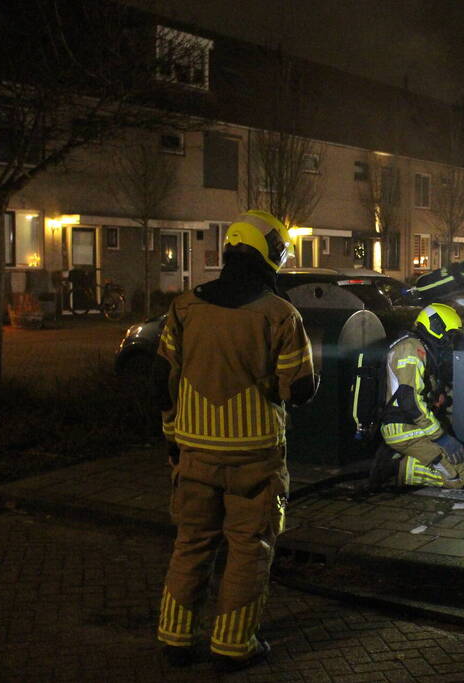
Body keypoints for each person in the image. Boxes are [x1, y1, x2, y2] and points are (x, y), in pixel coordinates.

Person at [152, 210, 316, 672]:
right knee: (249, 548)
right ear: (269, 253)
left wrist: (172, 439)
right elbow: (298, 390)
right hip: (255, 457)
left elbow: (161, 379)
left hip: (194, 453)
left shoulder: (184, 307)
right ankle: (232, 644)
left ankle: (175, 638)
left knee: (192, 542)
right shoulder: (281, 314)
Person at [371, 303, 464, 489]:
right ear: (437, 327)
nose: (449, 341)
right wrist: (441, 438)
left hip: (413, 426)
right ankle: (396, 468)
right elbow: (409, 402)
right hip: (404, 430)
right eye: (449, 335)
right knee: (463, 478)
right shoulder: (411, 350)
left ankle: (407, 458)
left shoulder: (419, 347)